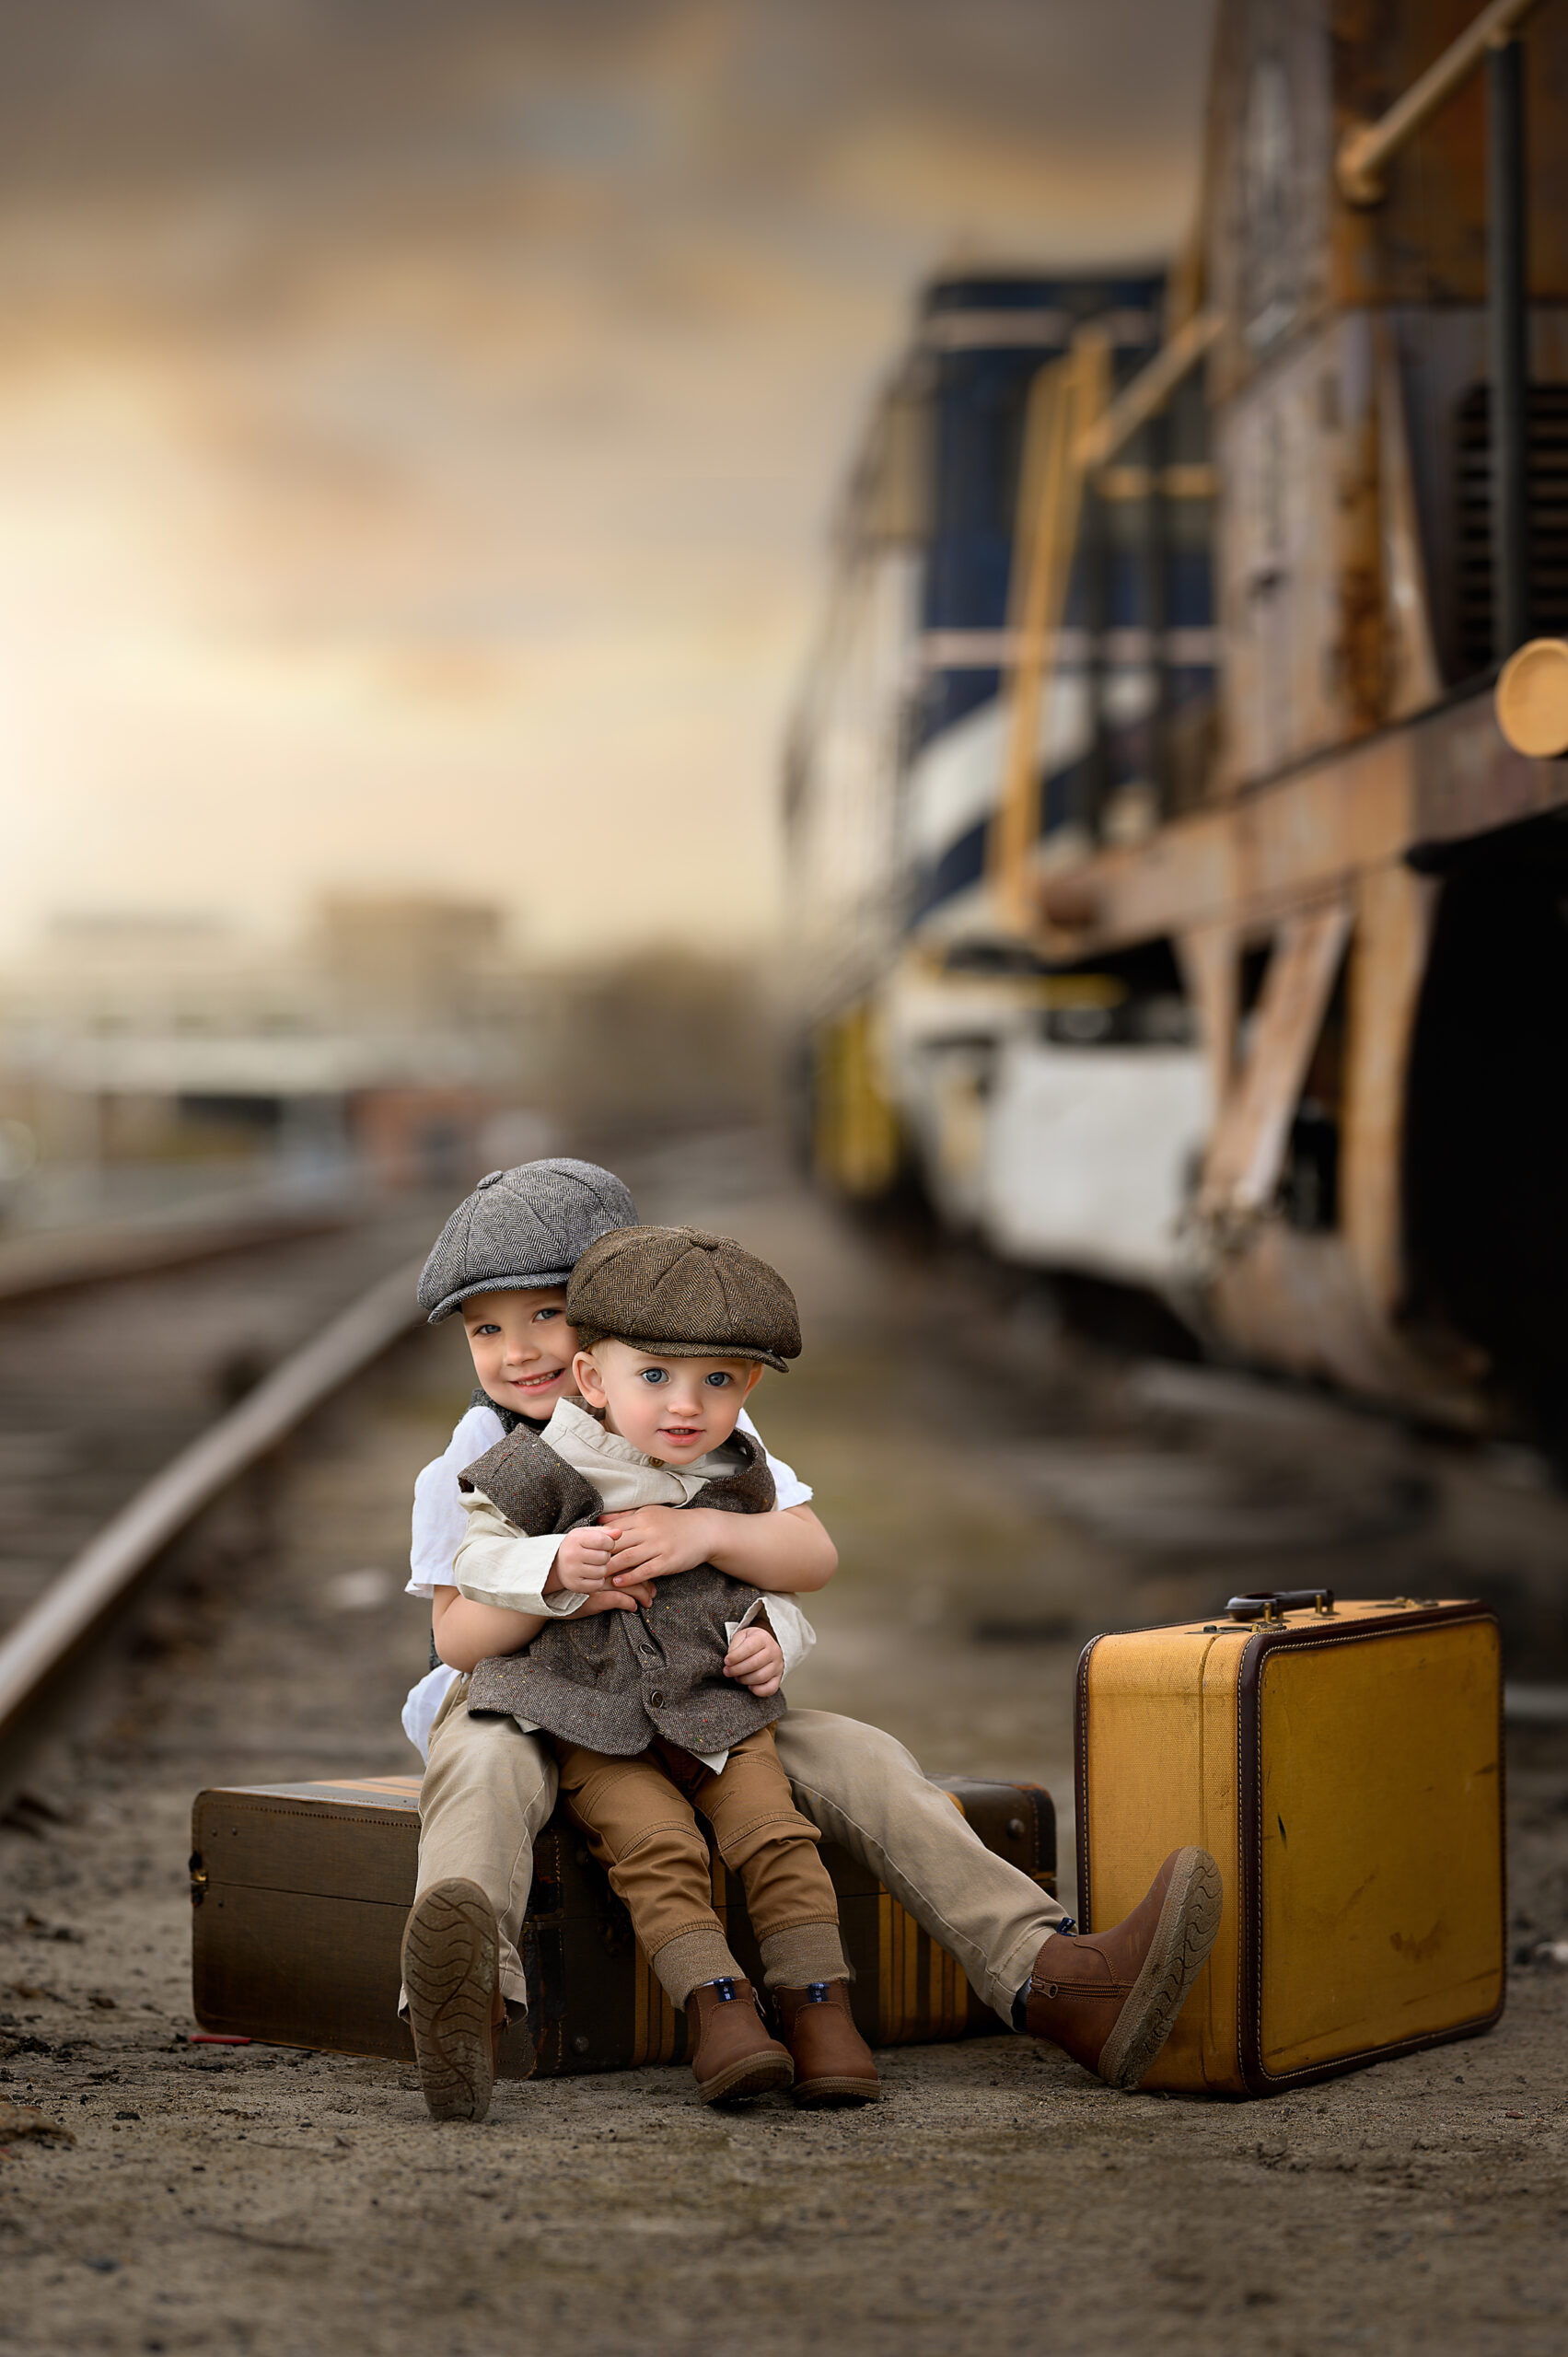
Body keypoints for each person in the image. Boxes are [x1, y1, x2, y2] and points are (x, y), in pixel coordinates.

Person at [400, 1157, 1220, 2122]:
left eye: (548, 1313)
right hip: (526, 1700)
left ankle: (1051, 1977)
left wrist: (708, 1536)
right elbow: (456, 1635)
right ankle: (469, 2002)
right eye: (486, 1329)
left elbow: (804, 1549)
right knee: (482, 1770)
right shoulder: (471, 1459)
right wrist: (562, 1585)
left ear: (617, 1310)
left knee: (862, 1758)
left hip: (695, 1702)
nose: (519, 1350)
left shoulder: (697, 1419)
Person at [430, 1220, 881, 2110]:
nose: (685, 1406)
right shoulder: (523, 1469)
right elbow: (471, 1566)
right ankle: (718, 2008)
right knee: (658, 1848)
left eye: (716, 1382)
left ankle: (821, 2008)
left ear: (745, 1389)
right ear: (593, 1378)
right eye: (655, 1379)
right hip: (589, 1716)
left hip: (715, 1706)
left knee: (777, 1836)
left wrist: (771, 1638)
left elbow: (763, 1590)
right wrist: (551, 1567)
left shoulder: (735, 1477)